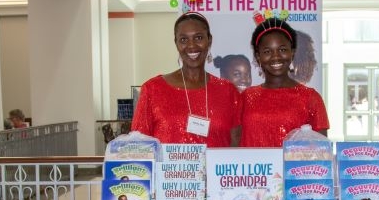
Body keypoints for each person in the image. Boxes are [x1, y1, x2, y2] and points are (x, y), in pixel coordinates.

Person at [131, 12, 241, 147]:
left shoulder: (228, 91)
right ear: (176, 43)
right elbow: (138, 147)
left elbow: (236, 147)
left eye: (199, 37)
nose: (191, 46)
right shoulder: (152, 89)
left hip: (215, 169)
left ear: (209, 40)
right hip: (168, 169)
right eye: (183, 39)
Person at [239, 16, 329, 148]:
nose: (276, 57)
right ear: (258, 57)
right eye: (267, 51)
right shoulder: (246, 97)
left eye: (282, 50)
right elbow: (234, 144)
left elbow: (321, 153)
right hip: (253, 168)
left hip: (293, 169)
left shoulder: (311, 98)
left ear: (292, 53)